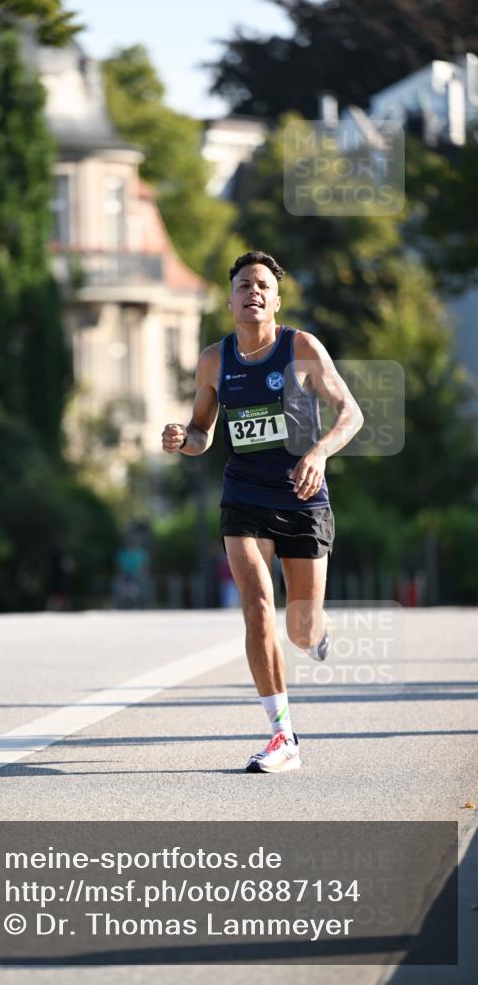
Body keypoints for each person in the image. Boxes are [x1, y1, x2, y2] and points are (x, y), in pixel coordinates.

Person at [162, 251, 363, 773]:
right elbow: (203, 433)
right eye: (244, 285)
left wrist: (318, 453)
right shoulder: (214, 360)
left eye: (262, 286)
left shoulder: (301, 348)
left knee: (300, 627)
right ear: (229, 300)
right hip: (245, 496)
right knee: (256, 606)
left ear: (276, 300)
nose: (253, 292)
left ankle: (317, 632)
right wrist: (184, 438)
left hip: (301, 495)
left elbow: (351, 414)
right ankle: (282, 735)